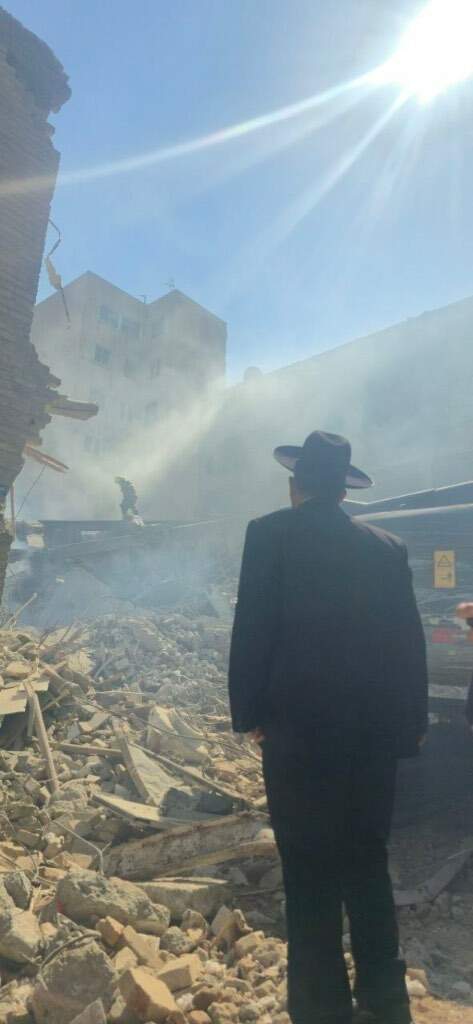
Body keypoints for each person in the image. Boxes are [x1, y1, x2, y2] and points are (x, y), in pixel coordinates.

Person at [228, 431, 428, 1024]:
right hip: (370, 738)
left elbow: (253, 629)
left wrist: (251, 714)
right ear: (344, 491)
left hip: (295, 734)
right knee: (367, 861)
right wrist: (410, 726)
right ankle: (386, 1002)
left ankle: (321, 1009)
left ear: (296, 486)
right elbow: (407, 644)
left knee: (308, 868)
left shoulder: (268, 534)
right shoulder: (387, 548)